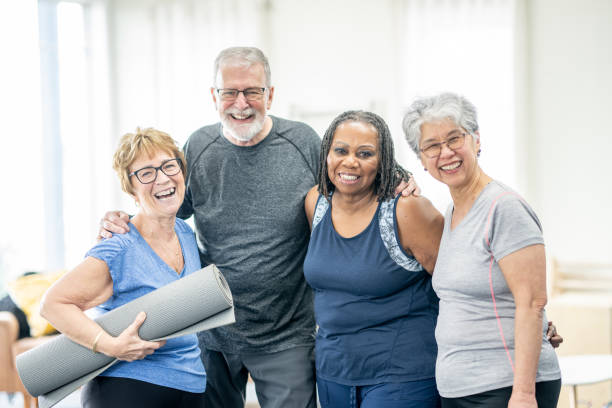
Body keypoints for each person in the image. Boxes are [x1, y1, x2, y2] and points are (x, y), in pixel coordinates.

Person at [98, 47, 418, 408]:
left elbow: (349, 174)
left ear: (270, 94)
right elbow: (167, 210)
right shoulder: (198, 146)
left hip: (286, 335)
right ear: (213, 96)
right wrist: (122, 218)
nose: (241, 103)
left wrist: (400, 177)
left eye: (252, 91)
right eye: (229, 92)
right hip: (211, 334)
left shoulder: (303, 142)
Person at [402, 92, 561, 408]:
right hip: (461, 387)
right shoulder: (450, 213)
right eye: (432, 146)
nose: (445, 152)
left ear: (476, 140)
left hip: (506, 387)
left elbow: (532, 302)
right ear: (421, 159)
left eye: (454, 138)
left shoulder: (504, 208)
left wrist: (524, 394)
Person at [40, 128, 207, 408]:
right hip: (127, 389)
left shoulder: (186, 234)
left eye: (169, 166)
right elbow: (53, 304)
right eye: (146, 173)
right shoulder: (119, 246)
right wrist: (110, 346)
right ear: (131, 188)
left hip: (189, 387)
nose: (163, 178)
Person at [303, 111, 444, 408]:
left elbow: (462, 282)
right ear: (327, 155)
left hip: (402, 375)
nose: (350, 161)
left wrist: (530, 322)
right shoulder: (315, 202)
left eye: (365, 153)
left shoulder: (409, 211)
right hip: (332, 373)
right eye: (341, 150)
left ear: (384, 161)